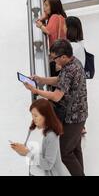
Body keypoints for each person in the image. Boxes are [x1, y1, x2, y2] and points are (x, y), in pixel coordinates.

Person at [23, 39, 88, 176]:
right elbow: (61, 80)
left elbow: (57, 96)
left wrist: (37, 91)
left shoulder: (70, 69)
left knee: (65, 152)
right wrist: (41, 80)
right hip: (80, 114)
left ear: (63, 56)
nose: (53, 61)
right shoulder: (74, 63)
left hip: (73, 117)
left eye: (54, 58)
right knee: (75, 148)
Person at [10, 99, 70, 176]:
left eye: (36, 115)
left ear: (46, 115)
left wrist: (27, 153)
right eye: (32, 115)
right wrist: (19, 149)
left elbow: (48, 165)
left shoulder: (51, 136)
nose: (33, 118)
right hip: (32, 173)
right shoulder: (32, 129)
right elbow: (27, 151)